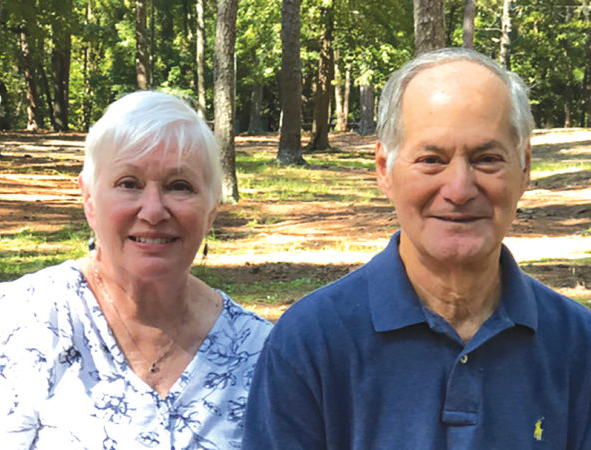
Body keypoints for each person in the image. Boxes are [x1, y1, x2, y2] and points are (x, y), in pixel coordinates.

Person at [242, 48, 591, 449]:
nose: (459, 190)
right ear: (384, 169)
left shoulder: (577, 346)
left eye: (487, 159)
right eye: (431, 159)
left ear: (525, 167)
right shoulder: (310, 344)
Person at [0, 91, 272, 448]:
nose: (153, 211)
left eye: (179, 186)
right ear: (90, 200)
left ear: (211, 211)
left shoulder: (259, 352)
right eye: (128, 184)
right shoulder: (27, 321)